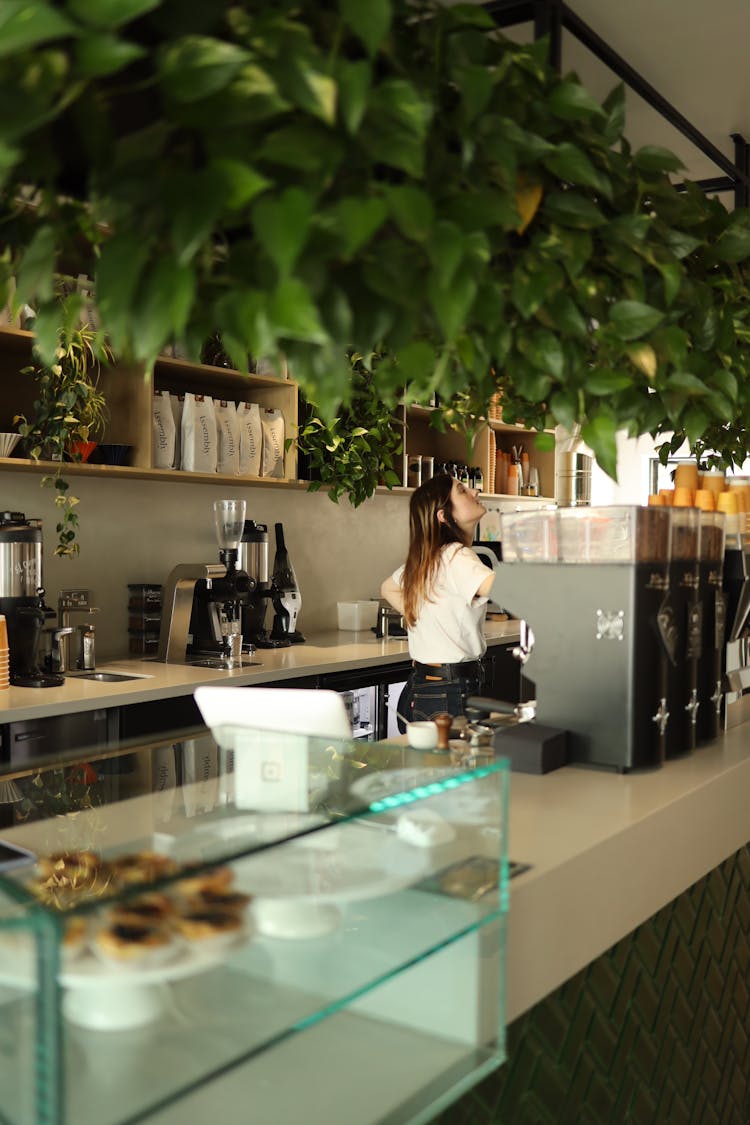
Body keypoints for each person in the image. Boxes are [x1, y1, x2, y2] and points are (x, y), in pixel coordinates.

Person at [381, 473, 496, 730]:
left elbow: (388, 587)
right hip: (451, 692)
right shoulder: (457, 555)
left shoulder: (429, 558)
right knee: (456, 768)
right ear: (443, 516)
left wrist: (422, 613)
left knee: (431, 769)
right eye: (462, 491)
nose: (475, 492)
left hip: (422, 688)